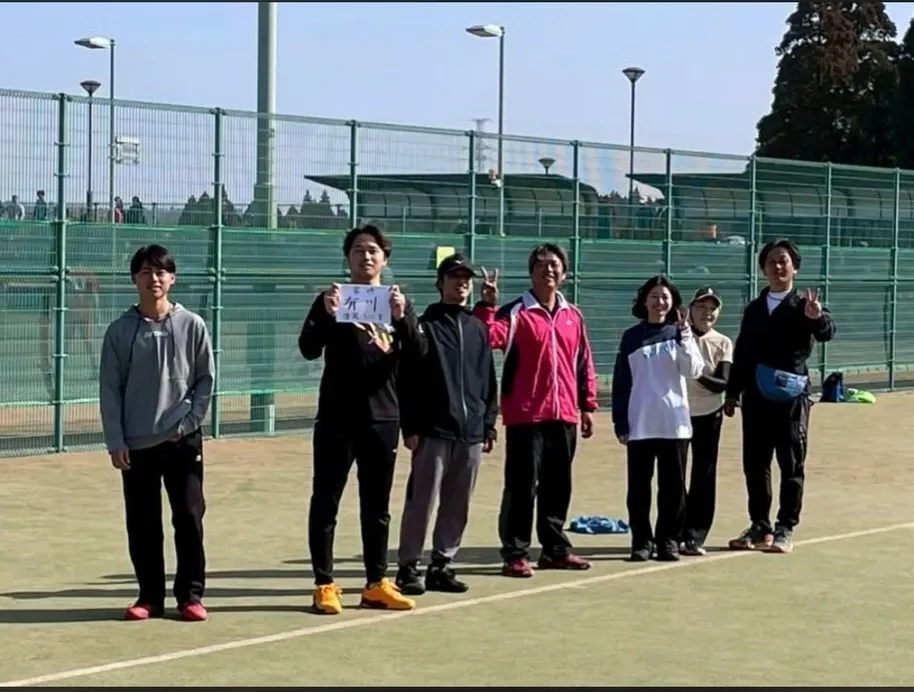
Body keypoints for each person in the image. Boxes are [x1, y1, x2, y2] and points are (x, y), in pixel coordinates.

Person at [298, 224, 419, 615]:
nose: (366, 257)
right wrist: (327, 315)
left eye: (373, 250)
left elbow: (420, 356)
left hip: (383, 419)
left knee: (377, 505)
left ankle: (376, 583)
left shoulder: (397, 302)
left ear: (385, 258)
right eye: (358, 250)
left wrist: (402, 320)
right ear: (347, 258)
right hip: (336, 419)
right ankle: (324, 584)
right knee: (326, 501)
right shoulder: (331, 300)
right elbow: (308, 349)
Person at [98, 244, 214, 622]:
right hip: (136, 444)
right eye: (146, 272)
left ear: (173, 278)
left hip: (183, 442)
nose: (155, 279)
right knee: (143, 522)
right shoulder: (120, 331)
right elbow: (110, 390)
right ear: (135, 279)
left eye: (162, 272)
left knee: (189, 519)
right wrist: (116, 441)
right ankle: (149, 596)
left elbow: (204, 381)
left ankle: (191, 596)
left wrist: (188, 424)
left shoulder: (192, 324)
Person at [473, 243, 598, 578]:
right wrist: (487, 305)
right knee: (521, 486)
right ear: (531, 272)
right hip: (526, 415)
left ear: (565, 273)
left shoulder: (574, 315)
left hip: (565, 416)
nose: (549, 270)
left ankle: (555, 550)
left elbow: (583, 361)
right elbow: (486, 337)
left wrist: (587, 404)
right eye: (542, 265)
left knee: (558, 486)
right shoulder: (515, 313)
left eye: (555, 265)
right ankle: (515, 552)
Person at [395, 253, 499, 596]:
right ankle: (408, 566)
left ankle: (442, 564)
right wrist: (409, 426)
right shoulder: (426, 325)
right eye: (455, 277)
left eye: (466, 278)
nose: (462, 283)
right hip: (433, 431)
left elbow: (487, 379)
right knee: (421, 501)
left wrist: (488, 424)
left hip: (470, 434)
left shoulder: (478, 328)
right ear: (441, 283)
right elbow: (407, 378)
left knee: (458, 502)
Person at [724, 239, 836, 554]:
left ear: (794, 268)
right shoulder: (754, 309)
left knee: (791, 463)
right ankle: (760, 524)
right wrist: (733, 393)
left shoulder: (805, 304)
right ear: (763, 269)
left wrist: (816, 318)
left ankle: (786, 526)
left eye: (783, 261)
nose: (777, 266)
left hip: (792, 398)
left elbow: (827, 330)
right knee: (755, 463)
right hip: (756, 396)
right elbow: (743, 352)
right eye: (771, 261)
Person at [611, 275, 704, 562]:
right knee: (639, 490)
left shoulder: (680, 335)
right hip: (640, 425)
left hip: (674, 425)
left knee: (673, 490)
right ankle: (641, 542)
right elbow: (621, 384)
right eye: (654, 296)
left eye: (665, 297)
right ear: (644, 301)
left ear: (673, 303)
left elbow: (694, 370)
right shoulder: (631, 337)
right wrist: (620, 422)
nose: (659, 302)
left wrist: (686, 334)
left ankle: (668, 542)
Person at [680, 287, 733, 556]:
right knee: (673, 476)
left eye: (712, 308)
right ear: (690, 310)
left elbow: (721, 383)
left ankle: (695, 535)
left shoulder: (723, 342)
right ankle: (671, 532)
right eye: (701, 307)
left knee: (704, 475)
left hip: (709, 416)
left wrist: (697, 371)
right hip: (676, 415)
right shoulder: (678, 336)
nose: (707, 313)